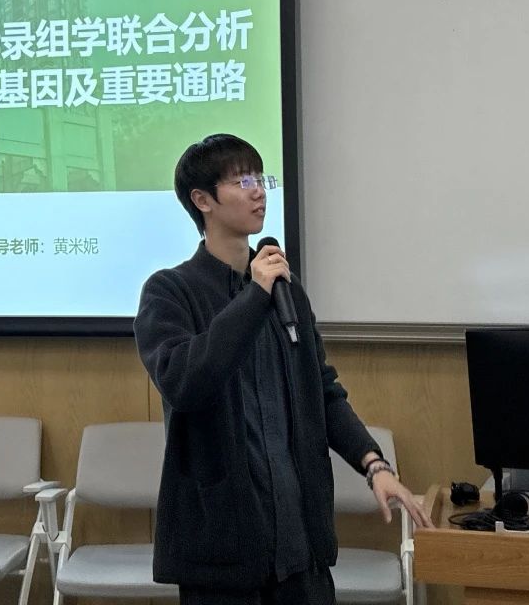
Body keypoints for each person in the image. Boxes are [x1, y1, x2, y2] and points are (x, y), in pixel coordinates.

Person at [134, 133, 434, 604]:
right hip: (223, 548)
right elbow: (184, 382)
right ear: (202, 200)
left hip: (300, 541)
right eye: (242, 181)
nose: (259, 191)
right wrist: (254, 296)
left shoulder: (286, 290)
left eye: (261, 178)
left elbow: (323, 391)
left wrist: (374, 464)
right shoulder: (170, 292)